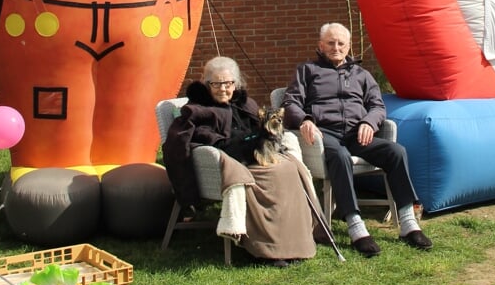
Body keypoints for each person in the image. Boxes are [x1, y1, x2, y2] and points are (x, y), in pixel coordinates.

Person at [284, 24, 432, 256]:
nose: (336, 47)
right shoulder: (307, 71)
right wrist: (305, 119)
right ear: (320, 46)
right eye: (330, 43)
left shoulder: (361, 75)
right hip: (324, 135)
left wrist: (368, 123)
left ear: (348, 46)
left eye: (341, 43)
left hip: (356, 134)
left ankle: (407, 222)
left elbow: (377, 106)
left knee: (396, 152)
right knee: (340, 156)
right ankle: (355, 225)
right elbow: (290, 102)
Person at [163, 57, 318, 265]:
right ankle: (265, 250)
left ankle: (294, 244)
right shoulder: (196, 109)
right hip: (232, 161)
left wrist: (264, 138)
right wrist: (244, 144)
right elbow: (197, 140)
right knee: (271, 177)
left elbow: (262, 129)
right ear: (206, 84)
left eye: (228, 83)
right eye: (216, 84)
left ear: (235, 84)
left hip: (257, 156)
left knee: (291, 168)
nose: (223, 89)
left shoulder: (245, 103)